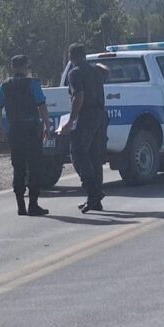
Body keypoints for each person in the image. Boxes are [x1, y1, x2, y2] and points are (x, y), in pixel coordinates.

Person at [0, 54, 51, 217]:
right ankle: (33, 205)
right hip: (32, 130)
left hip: (15, 130)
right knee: (34, 167)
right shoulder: (33, 84)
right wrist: (47, 125)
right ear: (25, 67)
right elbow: (42, 106)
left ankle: (21, 205)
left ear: (13, 68)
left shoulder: (4, 86)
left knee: (18, 167)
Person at [63, 43, 108, 213]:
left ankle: (93, 192)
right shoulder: (96, 71)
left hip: (86, 116)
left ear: (70, 57)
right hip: (100, 115)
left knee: (79, 155)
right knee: (94, 157)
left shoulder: (74, 73)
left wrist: (70, 121)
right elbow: (106, 72)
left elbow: (78, 98)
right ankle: (94, 199)